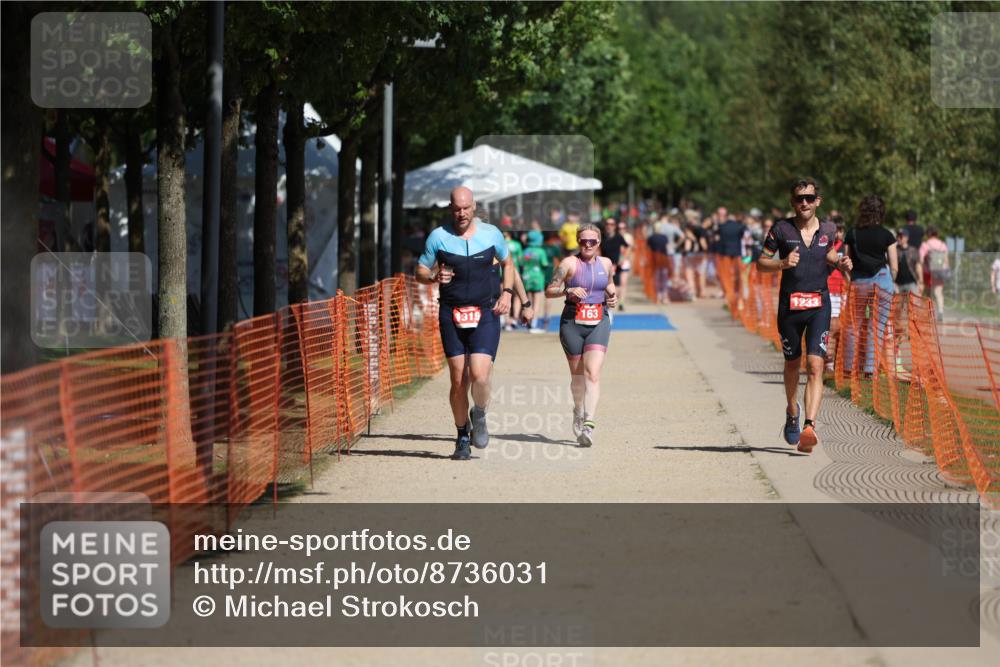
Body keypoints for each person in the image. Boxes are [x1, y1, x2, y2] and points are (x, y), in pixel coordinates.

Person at [416, 186, 514, 461]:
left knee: (480, 375)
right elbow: (420, 270)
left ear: (473, 207)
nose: (461, 213)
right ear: (451, 208)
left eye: (466, 208)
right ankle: (461, 436)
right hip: (451, 313)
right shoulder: (438, 237)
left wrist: (507, 293)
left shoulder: (491, 234)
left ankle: (479, 413)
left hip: (485, 313)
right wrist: (433, 276)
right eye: (456, 208)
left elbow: (509, 264)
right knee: (458, 378)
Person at [757, 178, 852, 453]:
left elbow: (829, 254)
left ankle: (809, 426)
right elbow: (761, 263)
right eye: (800, 199)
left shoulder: (829, 229)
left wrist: (841, 262)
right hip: (790, 308)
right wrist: (783, 264)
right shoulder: (781, 229)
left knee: (815, 365)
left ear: (818, 201)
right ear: (792, 202)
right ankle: (791, 410)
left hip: (819, 306)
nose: (805, 203)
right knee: (792, 364)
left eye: (810, 198)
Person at [545, 224, 618, 447]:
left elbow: (610, 284)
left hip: (599, 320)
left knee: (592, 373)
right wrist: (568, 290)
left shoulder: (606, 263)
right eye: (583, 241)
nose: (588, 245)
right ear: (578, 242)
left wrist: (613, 297)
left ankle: (589, 423)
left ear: (599, 243)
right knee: (578, 379)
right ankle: (578, 409)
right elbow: (549, 290)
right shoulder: (568, 264)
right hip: (572, 322)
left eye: (593, 241)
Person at [842, 194, 898, 377]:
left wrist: (851, 279)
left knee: (853, 325)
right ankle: (869, 370)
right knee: (877, 326)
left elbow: (846, 261)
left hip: (859, 282)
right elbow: (895, 266)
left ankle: (849, 368)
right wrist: (890, 280)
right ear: (881, 212)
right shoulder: (887, 235)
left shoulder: (852, 233)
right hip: (882, 280)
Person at [824, 217, 848, 375]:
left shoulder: (846, 247)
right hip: (829, 288)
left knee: (842, 326)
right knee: (832, 326)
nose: (838, 234)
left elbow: (848, 269)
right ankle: (829, 361)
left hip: (842, 289)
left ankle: (839, 360)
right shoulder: (826, 246)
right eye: (835, 231)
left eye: (840, 230)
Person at [519, 230, 550, 332]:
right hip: (538, 277)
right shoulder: (541, 251)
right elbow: (545, 264)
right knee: (537, 301)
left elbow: (521, 264)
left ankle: (527, 322)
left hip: (526, 277)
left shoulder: (525, 251)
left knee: (528, 301)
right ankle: (534, 324)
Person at [919, 226, 949, 321]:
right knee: (938, 292)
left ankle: (929, 312)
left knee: (928, 292)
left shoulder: (925, 244)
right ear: (937, 234)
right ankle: (940, 311)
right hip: (940, 271)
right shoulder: (942, 244)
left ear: (928, 234)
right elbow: (946, 260)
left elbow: (920, 259)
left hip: (928, 271)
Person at [600, 217, 630, 310]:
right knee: (603, 288)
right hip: (603, 266)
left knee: (615, 288)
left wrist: (623, 259)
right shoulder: (602, 236)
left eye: (612, 224)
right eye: (607, 224)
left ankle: (610, 307)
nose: (609, 226)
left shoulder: (618, 237)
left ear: (615, 226)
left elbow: (627, 247)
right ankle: (606, 309)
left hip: (615, 266)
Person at [503, 229, 524, 330]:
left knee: (505, 295)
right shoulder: (517, 245)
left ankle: (507, 321)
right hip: (515, 273)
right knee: (516, 296)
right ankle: (515, 318)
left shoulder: (501, 244)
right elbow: (520, 261)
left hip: (502, 273)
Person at [895, 228, 922, 296]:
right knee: (899, 306)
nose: (898, 238)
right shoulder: (894, 250)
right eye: (897, 236)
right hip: (898, 284)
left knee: (914, 305)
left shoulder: (913, 250)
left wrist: (920, 281)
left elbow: (918, 266)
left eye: (901, 236)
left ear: (907, 237)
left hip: (912, 283)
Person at [615, 219, 635, 310]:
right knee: (615, 284)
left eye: (623, 228)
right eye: (619, 228)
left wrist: (623, 260)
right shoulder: (614, 236)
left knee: (623, 283)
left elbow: (630, 250)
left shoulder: (628, 237)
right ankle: (615, 299)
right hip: (614, 263)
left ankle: (621, 303)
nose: (621, 229)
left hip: (624, 262)